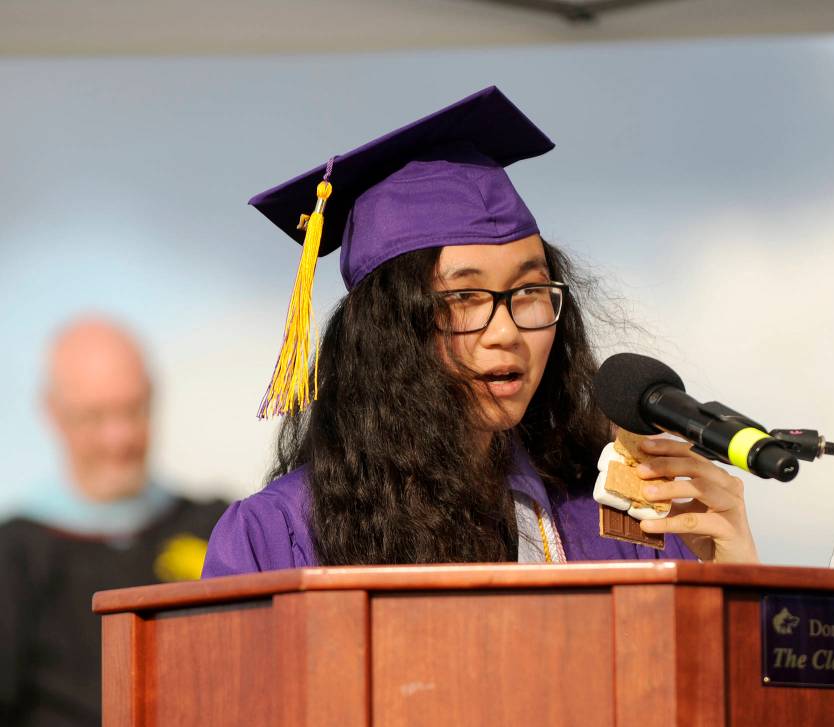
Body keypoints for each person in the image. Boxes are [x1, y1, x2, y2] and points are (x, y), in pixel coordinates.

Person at [202, 86, 757, 576]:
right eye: (465, 298)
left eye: (529, 292)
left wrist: (734, 572)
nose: (507, 332)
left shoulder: (612, 522)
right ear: (387, 333)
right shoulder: (276, 534)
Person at [0, 318, 226, 726]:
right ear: (54, 414)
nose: (118, 438)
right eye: (95, 416)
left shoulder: (218, 527)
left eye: (132, 410)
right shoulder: (15, 556)